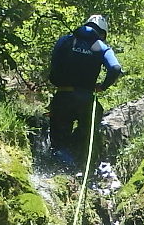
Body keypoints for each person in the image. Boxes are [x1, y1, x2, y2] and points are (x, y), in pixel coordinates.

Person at [47, 13, 122, 165]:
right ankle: (76, 170)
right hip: (87, 100)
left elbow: (54, 65)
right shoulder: (102, 47)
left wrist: (56, 81)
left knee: (58, 141)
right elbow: (115, 68)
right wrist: (102, 86)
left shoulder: (66, 40)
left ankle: (56, 168)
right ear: (102, 32)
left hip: (62, 97)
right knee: (85, 136)